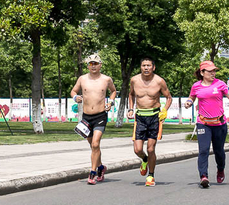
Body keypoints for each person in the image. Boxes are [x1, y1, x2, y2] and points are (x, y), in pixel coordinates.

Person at [185, 60, 229, 188]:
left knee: (219, 151)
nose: (213, 73)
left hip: (219, 123)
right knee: (203, 150)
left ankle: (220, 169)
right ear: (202, 72)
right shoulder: (196, 86)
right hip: (203, 123)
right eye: (210, 71)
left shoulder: (220, 84)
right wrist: (189, 102)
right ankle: (204, 176)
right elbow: (192, 97)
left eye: (214, 71)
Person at [70, 53, 117, 184]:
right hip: (86, 117)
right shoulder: (82, 79)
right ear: (88, 66)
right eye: (91, 64)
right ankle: (101, 167)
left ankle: (92, 172)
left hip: (100, 115)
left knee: (96, 144)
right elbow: (73, 91)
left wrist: (111, 102)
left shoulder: (106, 79)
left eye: (96, 64)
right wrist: (75, 97)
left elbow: (113, 91)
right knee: (93, 146)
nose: (93, 66)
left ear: (100, 65)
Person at [127, 57, 172, 186]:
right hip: (140, 117)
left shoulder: (159, 81)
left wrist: (164, 110)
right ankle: (144, 159)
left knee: (151, 149)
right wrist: (131, 108)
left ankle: (151, 176)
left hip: (154, 117)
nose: (146, 68)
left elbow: (168, 97)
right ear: (140, 67)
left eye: (148, 65)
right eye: (143, 65)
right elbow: (131, 94)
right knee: (137, 149)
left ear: (153, 67)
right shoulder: (134, 80)